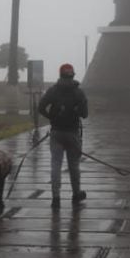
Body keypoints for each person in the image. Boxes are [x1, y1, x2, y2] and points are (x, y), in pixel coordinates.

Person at [37, 62, 88, 208]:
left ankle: (56, 197)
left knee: (56, 164)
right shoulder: (79, 92)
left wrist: (51, 117)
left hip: (56, 132)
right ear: (72, 75)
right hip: (72, 133)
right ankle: (76, 193)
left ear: (60, 75)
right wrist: (76, 111)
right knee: (74, 165)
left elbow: (41, 107)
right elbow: (85, 114)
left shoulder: (53, 90)